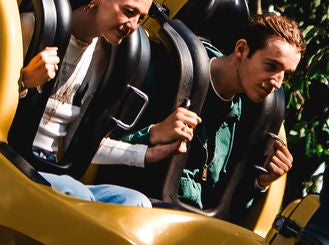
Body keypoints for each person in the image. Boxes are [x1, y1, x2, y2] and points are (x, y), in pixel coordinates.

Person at [15, 0, 177, 208]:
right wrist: (24, 82)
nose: (133, 26)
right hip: (11, 159)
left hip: (56, 171)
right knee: (76, 194)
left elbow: (82, 143)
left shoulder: (105, 58)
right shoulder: (33, 27)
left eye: (140, 18)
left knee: (136, 203)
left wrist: (145, 154)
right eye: (128, 11)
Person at [117, 12, 303, 219]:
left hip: (194, 228)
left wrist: (260, 182)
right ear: (241, 49)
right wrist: (152, 134)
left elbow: (224, 205)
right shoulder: (171, 73)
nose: (277, 82)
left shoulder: (253, 118)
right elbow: (98, 149)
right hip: (133, 210)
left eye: (286, 74)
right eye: (271, 66)